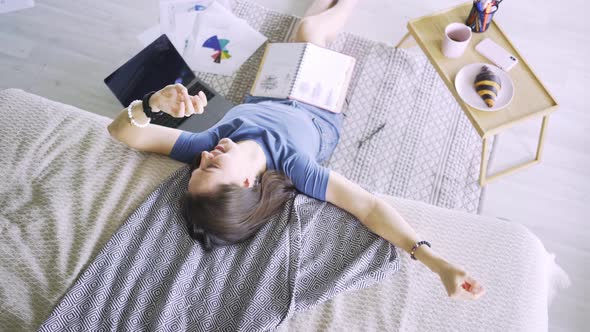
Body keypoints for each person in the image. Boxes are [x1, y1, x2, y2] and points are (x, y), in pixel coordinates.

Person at [108, 0, 485, 301]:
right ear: (244, 181)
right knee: (309, 31)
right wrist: (436, 262)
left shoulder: (206, 146)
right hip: (317, 103)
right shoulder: (295, 167)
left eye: (199, 166)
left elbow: (122, 132)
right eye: (210, 167)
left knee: (297, 34)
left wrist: (153, 103)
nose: (203, 158)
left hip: (267, 92)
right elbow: (368, 207)